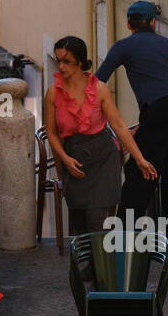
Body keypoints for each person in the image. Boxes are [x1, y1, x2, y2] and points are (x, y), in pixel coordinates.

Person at [95, 0, 168, 222]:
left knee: (140, 169)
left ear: (128, 24)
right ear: (153, 22)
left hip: (160, 108)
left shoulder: (123, 47)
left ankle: (124, 232)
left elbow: (97, 82)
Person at [43, 36, 157, 235]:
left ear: (80, 62)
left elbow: (119, 126)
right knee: (79, 224)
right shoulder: (53, 93)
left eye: (66, 61)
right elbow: (51, 132)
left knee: (96, 222)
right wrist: (64, 159)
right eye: (58, 60)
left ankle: (100, 266)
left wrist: (139, 159)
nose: (60, 66)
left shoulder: (100, 89)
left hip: (103, 157)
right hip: (73, 157)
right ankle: (82, 266)